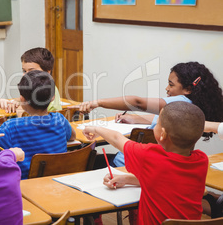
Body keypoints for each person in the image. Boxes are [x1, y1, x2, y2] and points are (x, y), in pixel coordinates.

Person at [84, 102, 209, 224]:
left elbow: (117, 139)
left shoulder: (150, 156)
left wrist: (95, 128)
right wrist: (127, 179)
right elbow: (165, 180)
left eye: (158, 122)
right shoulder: (201, 160)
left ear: (163, 134)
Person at [78, 61, 223, 166]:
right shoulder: (192, 108)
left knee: (87, 161)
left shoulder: (178, 103)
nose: (167, 88)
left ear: (188, 89)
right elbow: (164, 118)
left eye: (171, 85)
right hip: (160, 166)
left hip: (128, 163)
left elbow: (137, 102)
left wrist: (98, 103)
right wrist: (135, 119)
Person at [0, 70, 76, 179]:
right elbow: (72, 137)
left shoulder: (10, 128)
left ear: (22, 99)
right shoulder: (59, 120)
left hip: (24, 187)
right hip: (58, 183)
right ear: (53, 97)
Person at [0, 47, 62, 113]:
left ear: (47, 72)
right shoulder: (47, 87)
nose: (25, 75)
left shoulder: (44, 89)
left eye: (31, 71)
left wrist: (19, 106)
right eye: (24, 71)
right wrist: (14, 102)